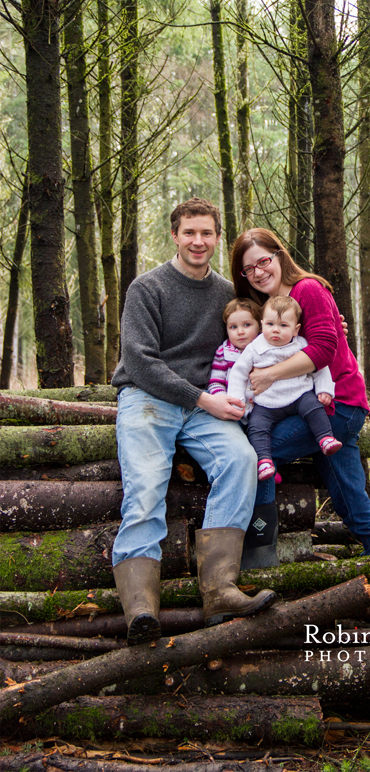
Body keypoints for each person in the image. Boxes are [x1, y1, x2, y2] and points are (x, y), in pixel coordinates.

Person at [111, 199, 276, 645]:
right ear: (175, 236)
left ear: (218, 238)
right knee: (146, 485)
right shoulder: (147, 288)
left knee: (241, 460)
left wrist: (326, 323)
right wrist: (203, 399)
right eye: (189, 233)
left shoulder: (227, 293)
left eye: (206, 233)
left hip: (205, 406)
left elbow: (275, 318)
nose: (198, 241)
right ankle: (141, 607)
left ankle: (220, 588)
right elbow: (140, 363)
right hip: (148, 398)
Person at [230, 228, 370, 624]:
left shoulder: (308, 289)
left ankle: (258, 552)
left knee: (250, 455)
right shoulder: (275, 312)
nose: (259, 271)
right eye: (249, 269)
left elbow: (324, 349)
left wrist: (269, 376)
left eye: (264, 260)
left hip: (337, 407)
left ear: (280, 254)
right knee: (354, 505)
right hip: (315, 412)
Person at [228, 295, 341, 482]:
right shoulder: (254, 348)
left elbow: (319, 367)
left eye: (283, 326)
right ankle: (264, 461)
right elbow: (238, 374)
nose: (275, 331)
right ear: (262, 324)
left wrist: (325, 390)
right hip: (266, 403)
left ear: (296, 329)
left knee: (315, 409)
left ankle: (325, 438)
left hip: (299, 395)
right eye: (270, 324)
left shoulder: (301, 344)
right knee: (256, 427)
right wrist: (237, 399)